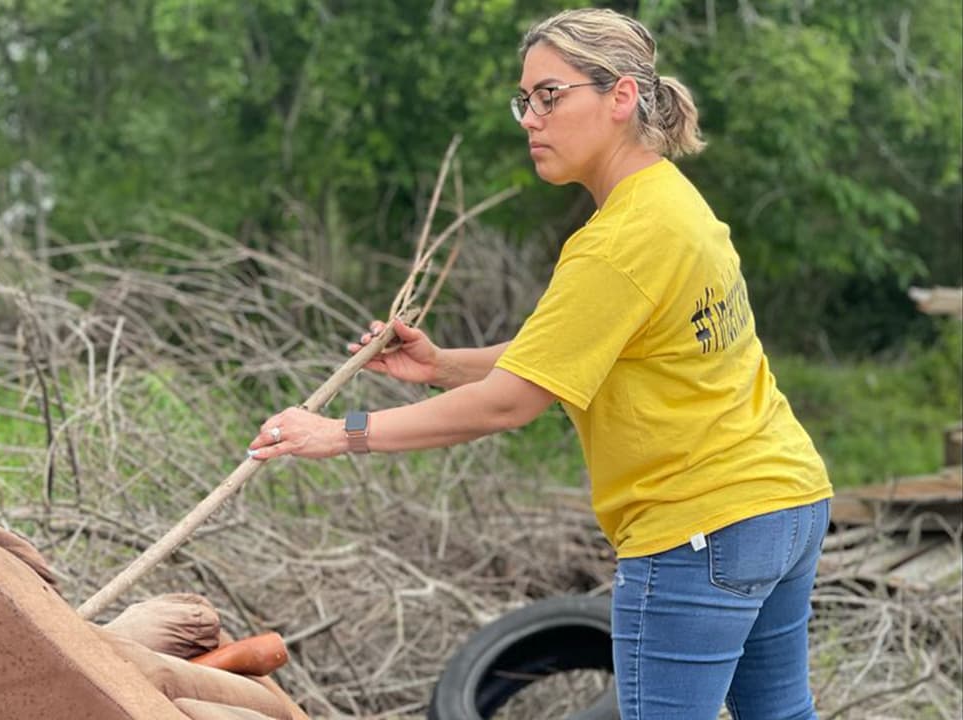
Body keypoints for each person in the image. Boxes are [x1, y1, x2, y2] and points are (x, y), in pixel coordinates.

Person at [248, 7, 832, 720]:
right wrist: (440, 364)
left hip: (699, 526)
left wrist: (341, 434)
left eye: (550, 96)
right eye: (525, 99)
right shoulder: (669, 201)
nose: (530, 118)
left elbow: (511, 402)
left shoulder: (617, 242)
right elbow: (571, 352)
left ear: (621, 97)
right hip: (787, 501)